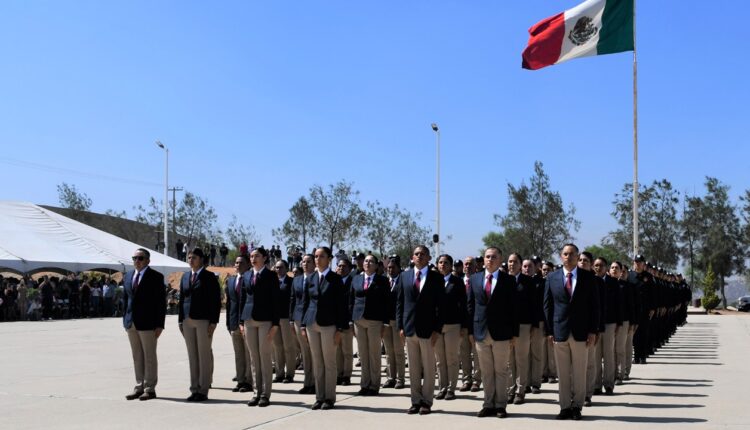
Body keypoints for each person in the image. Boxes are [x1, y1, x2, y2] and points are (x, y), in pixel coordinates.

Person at [544, 244, 600, 421]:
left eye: (572, 254)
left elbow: (594, 306)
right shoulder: (552, 277)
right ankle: (564, 407)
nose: (569, 257)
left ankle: (577, 406)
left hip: (581, 331)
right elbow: (548, 306)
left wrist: (593, 330)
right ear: (561, 256)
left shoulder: (588, 277)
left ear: (578, 257)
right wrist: (549, 330)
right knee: (563, 372)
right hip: (559, 331)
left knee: (579, 371)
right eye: (565, 254)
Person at [467, 247, 518, 418]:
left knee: (501, 370)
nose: (490, 259)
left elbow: (513, 309)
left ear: (500, 259)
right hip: (480, 332)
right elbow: (470, 307)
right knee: (486, 371)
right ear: (484, 259)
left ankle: (501, 405)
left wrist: (514, 333)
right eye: (487, 257)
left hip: (502, 333)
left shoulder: (508, 280)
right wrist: (470, 331)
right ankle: (488, 404)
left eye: (494, 257)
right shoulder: (474, 279)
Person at [396, 245, 444, 415]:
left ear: (429, 258)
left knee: (429, 368)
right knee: (413, 368)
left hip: (428, 330)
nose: (419, 257)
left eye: (423, 254)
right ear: (412, 257)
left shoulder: (436, 278)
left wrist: (437, 330)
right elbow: (400, 303)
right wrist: (400, 326)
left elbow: (441, 307)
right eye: (416, 254)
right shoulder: (404, 276)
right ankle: (415, 401)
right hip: (409, 329)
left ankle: (426, 401)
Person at [301, 246, 348, 410]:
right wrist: (302, 325)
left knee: (329, 362)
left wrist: (340, 329)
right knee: (317, 361)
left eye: (321, 256)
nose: (317, 259)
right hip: (311, 324)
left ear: (329, 259)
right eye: (316, 256)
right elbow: (305, 303)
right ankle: (319, 397)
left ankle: (329, 397)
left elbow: (342, 306)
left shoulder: (336, 279)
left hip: (330, 325)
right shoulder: (311, 278)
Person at [122, 248, 166, 401]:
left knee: (149, 356)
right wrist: (125, 320)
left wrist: (160, 324)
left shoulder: (156, 277)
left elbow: (161, 303)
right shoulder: (128, 276)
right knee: (137, 356)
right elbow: (125, 300)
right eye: (134, 258)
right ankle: (139, 386)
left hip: (148, 323)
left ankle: (150, 388)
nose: (136, 261)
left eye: (140, 258)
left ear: (148, 260)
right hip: (131, 322)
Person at [179, 247, 221, 402]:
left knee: (203, 355)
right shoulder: (185, 277)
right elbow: (182, 299)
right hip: (187, 320)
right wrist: (180, 320)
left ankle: (203, 389)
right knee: (192, 356)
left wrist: (213, 322)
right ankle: (194, 388)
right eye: (189, 257)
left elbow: (215, 301)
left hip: (204, 320)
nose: (191, 259)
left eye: (194, 257)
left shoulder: (209, 277)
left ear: (201, 259)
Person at [240, 247, 280, 407]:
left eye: (256, 255)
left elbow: (276, 301)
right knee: (253, 358)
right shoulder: (247, 275)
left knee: (264, 357)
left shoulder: (271, 276)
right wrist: (241, 322)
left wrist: (275, 324)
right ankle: (256, 392)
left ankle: (265, 394)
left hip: (265, 320)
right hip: (249, 319)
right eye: (251, 256)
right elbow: (243, 298)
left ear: (264, 258)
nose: (253, 258)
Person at [350, 254, 389, 396]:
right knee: (363, 354)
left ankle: (374, 385)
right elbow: (351, 300)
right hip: (358, 320)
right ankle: (364, 384)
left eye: (371, 261)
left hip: (375, 321)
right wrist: (350, 320)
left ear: (376, 265)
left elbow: (386, 303)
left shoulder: (382, 281)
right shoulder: (356, 279)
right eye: (366, 261)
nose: (367, 263)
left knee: (374, 354)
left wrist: (385, 323)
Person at [434, 254, 466, 401]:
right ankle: (442, 387)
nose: (442, 265)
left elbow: (464, 305)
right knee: (440, 359)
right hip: (436, 326)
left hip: (453, 325)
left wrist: (464, 326)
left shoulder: (457, 282)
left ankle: (451, 389)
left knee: (452, 358)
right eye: (440, 262)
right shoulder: (432, 281)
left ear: (451, 265)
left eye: (445, 263)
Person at [506, 253, 535, 405]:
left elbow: (534, 305)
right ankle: (510, 390)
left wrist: (534, 326)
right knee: (509, 361)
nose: (512, 264)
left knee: (521, 359)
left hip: (524, 325)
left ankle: (520, 391)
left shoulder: (528, 282)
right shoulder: (503, 280)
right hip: (506, 326)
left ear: (520, 264)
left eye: (515, 262)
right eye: (510, 261)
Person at [226, 255, 253, 393]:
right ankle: (241, 380)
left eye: (241, 263)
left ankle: (249, 381)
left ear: (248, 264)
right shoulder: (231, 280)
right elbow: (230, 303)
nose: (238, 265)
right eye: (236, 263)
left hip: (247, 321)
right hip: (233, 322)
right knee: (238, 354)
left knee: (248, 353)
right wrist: (228, 323)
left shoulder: (250, 279)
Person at [290, 254, 316, 394]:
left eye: (308, 261)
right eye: (303, 261)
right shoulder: (297, 280)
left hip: (313, 318)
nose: (305, 264)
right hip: (299, 318)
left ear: (314, 263)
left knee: (315, 353)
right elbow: (293, 300)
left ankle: (317, 382)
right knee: (305, 352)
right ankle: (308, 383)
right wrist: (291, 320)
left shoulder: (318, 278)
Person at [382, 256, 406, 390]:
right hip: (386, 322)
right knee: (388, 351)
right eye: (388, 267)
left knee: (398, 351)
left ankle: (400, 379)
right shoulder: (384, 282)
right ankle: (391, 377)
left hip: (398, 321)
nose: (390, 270)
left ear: (398, 268)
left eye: (393, 267)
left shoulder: (402, 281)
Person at [272, 260, 297, 384]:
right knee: (277, 347)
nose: (278, 270)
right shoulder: (271, 282)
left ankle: (290, 374)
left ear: (287, 268)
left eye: (281, 267)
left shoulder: (291, 282)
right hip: (275, 319)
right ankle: (279, 373)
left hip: (287, 318)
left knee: (288, 347)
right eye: (276, 268)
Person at [459, 256, 481, 392]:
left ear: (475, 266)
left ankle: (477, 381)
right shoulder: (458, 281)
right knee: (464, 353)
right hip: (462, 324)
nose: (467, 266)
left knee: (477, 354)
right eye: (466, 264)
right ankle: (466, 380)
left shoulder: (480, 280)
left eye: (470, 264)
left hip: (477, 323)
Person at [335, 258, 355, 386]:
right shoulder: (333, 281)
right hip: (335, 322)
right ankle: (338, 374)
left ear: (349, 268)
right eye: (339, 266)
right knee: (337, 351)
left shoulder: (353, 281)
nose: (341, 268)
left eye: (344, 266)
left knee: (347, 351)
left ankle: (346, 375)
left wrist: (351, 320)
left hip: (347, 321)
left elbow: (353, 302)